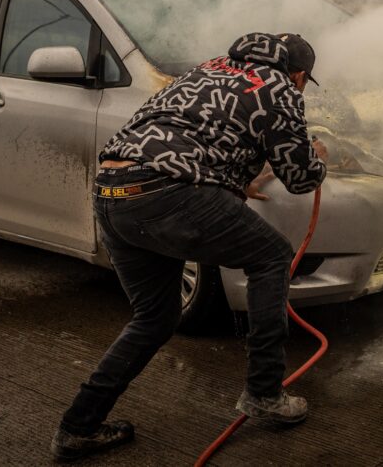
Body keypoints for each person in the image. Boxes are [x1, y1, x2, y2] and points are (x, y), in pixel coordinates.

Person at [51, 32, 329, 462]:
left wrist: (231, 180)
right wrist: (318, 157)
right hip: (166, 193)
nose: (299, 88)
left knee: (154, 318)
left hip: (112, 192)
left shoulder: (205, 69)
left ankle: (77, 426)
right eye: (303, 82)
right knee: (272, 256)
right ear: (299, 74)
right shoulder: (279, 88)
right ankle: (264, 392)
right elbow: (301, 179)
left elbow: (188, 134)